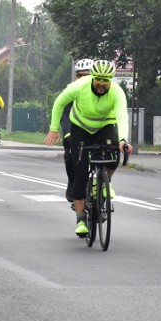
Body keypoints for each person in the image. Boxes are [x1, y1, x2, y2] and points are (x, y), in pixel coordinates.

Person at [44, 59, 131, 237]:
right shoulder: (80, 86)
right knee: (81, 171)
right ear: (92, 77)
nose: (101, 84)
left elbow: (122, 116)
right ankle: (81, 219)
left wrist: (123, 140)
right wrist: (54, 129)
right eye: (98, 79)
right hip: (81, 126)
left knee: (114, 154)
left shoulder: (117, 92)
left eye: (105, 80)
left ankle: (107, 182)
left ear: (111, 80)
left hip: (105, 124)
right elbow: (59, 103)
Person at [60, 59, 95, 201]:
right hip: (77, 130)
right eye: (80, 76)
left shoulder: (101, 90)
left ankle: (103, 185)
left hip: (97, 130)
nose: (83, 79)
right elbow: (65, 112)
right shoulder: (72, 90)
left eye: (86, 76)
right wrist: (68, 133)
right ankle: (72, 182)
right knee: (69, 152)